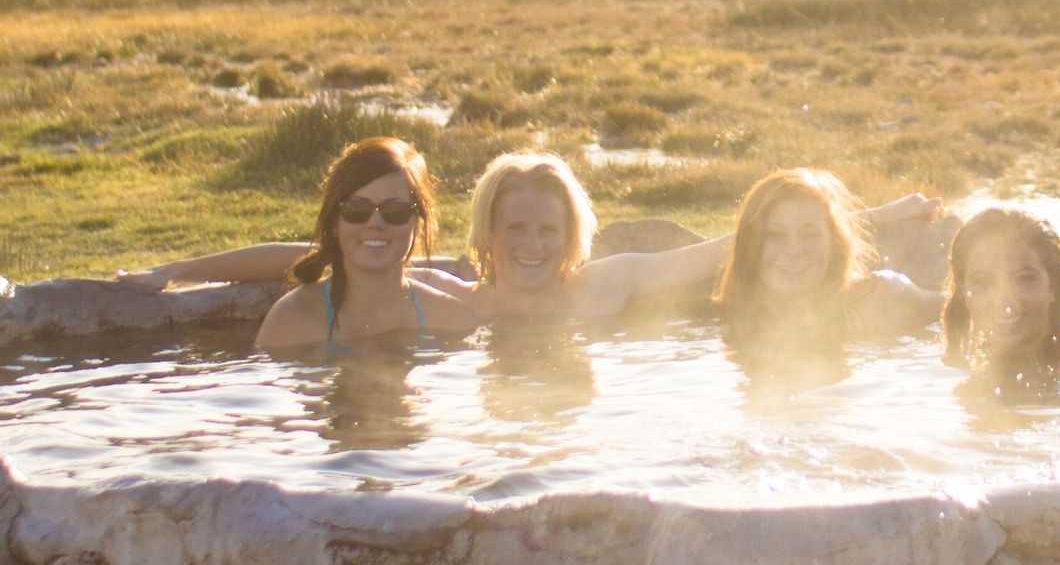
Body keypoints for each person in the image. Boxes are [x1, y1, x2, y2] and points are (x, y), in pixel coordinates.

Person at [118, 149, 938, 323]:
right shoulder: (458, 303)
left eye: (549, 227)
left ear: (574, 233)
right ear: (487, 233)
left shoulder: (609, 285)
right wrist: (178, 267)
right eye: (516, 227)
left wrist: (887, 217)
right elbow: (308, 261)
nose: (533, 243)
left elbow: (738, 243)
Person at [253, 137, 475, 351]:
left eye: (395, 211)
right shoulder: (292, 320)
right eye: (356, 210)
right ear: (334, 223)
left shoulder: (451, 319)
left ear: (417, 224)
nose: (375, 223)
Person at [713, 169, 941, 370]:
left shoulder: (878, 299)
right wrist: (880, 214)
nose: (794, 250)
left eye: (810, 234)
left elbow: (955, 308)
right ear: (749, 245)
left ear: (835, 243)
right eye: (775, 234)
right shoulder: (735, 310)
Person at [940, 207, 1060, 385]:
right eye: (983, 281)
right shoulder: (962, 356)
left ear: (1054, 287)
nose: (1004, 300)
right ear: (963, 293)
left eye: (1024, 279)